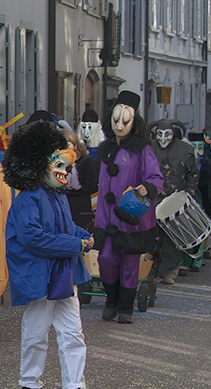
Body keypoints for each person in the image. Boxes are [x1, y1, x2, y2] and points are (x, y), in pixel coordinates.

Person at [3, 120, 99, 389]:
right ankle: (30, 382)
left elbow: (66, 228)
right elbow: (34, 238)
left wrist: (83, 237)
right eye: (63, 167)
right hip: (41, 275)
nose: (67, 173)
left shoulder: (57, 196)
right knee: (36, 330)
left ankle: (75, 388)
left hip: (63, 274)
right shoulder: (27, 200)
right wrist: (75, 244)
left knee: (73, 331)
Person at [92, 90, 163, 324]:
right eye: (116, 121)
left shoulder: (142, 149)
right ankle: (110, 302)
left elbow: (155, 177)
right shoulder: (104, 149)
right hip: (107, 218)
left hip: (130, 219)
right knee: (106, 260)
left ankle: (125, 308)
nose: (120, 126)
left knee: (130, 263)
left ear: (134, 121)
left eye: (125, 121)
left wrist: (147, 187)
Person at [148, 119, 198, 284]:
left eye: (167, 134)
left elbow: (192, 174)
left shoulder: (185, 150)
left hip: (174, 198)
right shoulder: (149, 149)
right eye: (160, 134)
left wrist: (189, 193)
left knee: (171, 236)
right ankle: (150, 268)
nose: (163, 139)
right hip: (152, 197)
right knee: (151, 235)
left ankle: (169, 271)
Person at [62, 128, 99, 230]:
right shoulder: (58, 163)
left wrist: (67, 191)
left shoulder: (87, 161)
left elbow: (90, 187)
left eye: (68, 144)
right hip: (64, 207)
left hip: (81, 209)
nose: (66, 148)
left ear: (75, 144)